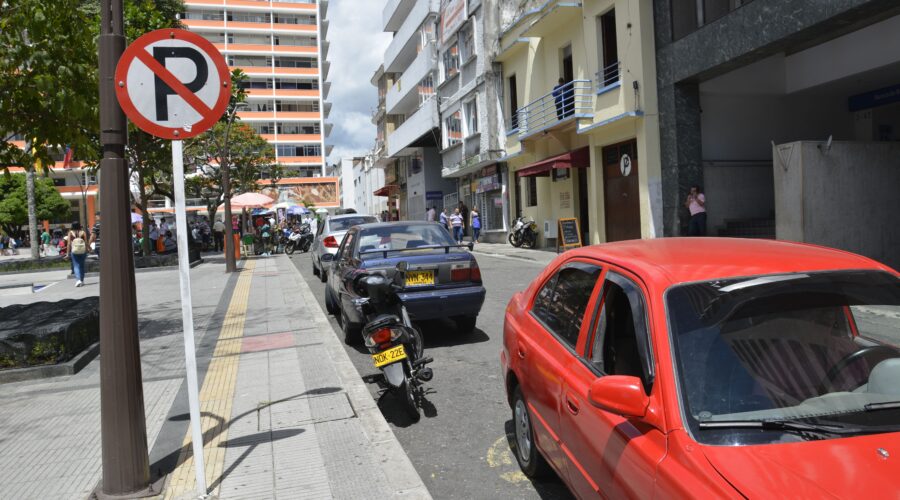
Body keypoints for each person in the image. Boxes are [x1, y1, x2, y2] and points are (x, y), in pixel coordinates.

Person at [65, 221, 89, 287]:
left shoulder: (70, 233)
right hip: (83, 251)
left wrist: (67, 253)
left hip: (74, 251)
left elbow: (69, 243)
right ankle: (82, 280)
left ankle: (78, 280)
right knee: (82, 265)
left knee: (76, 265)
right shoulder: (83, 232)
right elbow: (86, 242)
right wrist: (89, 249)